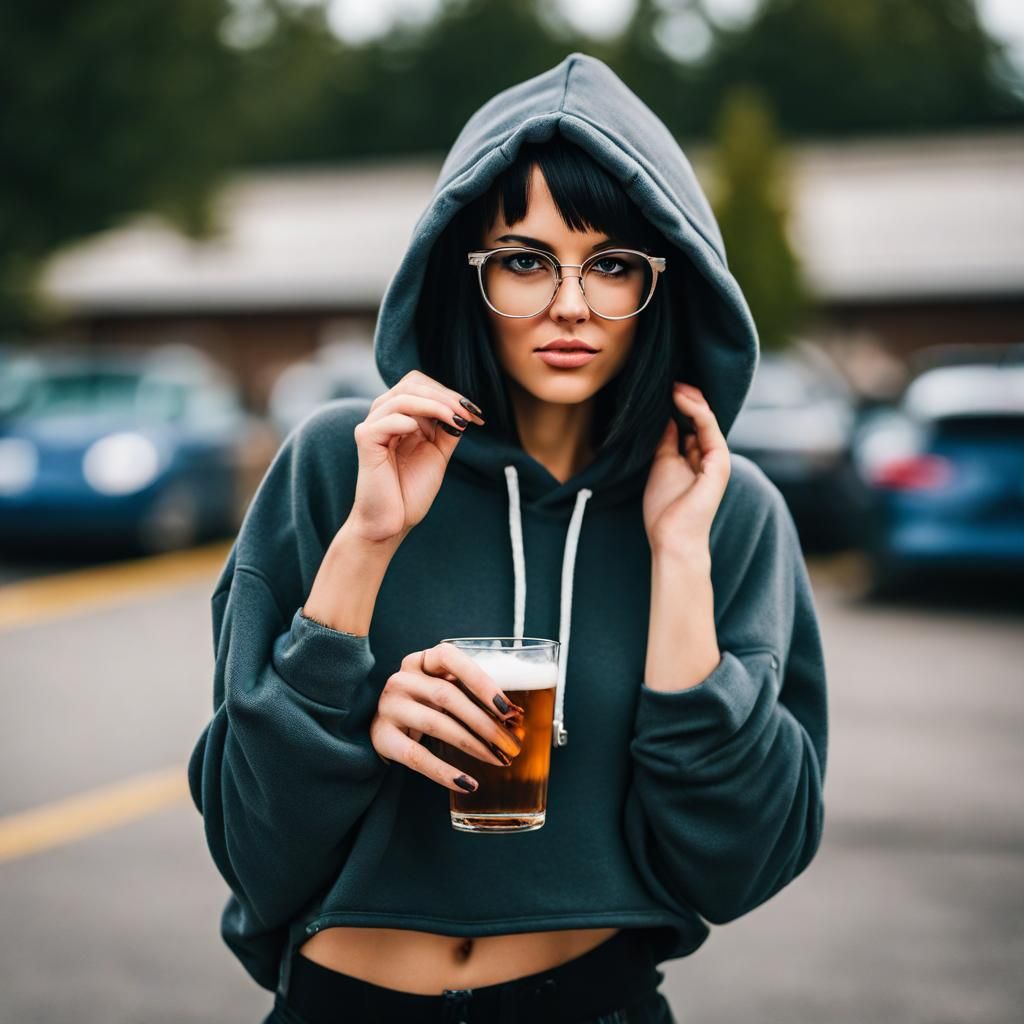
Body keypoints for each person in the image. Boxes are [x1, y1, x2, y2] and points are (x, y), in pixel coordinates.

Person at [188, 52, 829, 1024]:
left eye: (611, 264)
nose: (569, 304)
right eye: (525, 261)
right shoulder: (344, 462)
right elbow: (252, 848)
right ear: (467, 274)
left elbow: (736, 867)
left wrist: (679, 557)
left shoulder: (725, 510)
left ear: (663, 282)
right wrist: (366, 554)